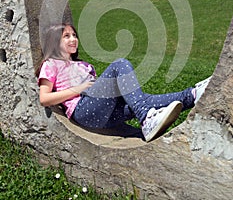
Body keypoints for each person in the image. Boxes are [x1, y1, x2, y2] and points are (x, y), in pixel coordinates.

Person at [36, 24, 211, 142]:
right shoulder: (52, 64)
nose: (73, 39)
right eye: (66, 36)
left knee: (139, 101)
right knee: (120, 64)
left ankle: (194, 95)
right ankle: (146, 118)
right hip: (82, 110)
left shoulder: (85, 65)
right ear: (54, 41)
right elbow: (44, 98)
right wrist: (78, 89)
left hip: (103, 113)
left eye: (74, 35)